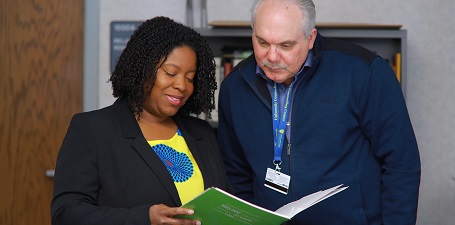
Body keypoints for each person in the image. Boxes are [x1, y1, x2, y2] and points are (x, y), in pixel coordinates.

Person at [217, 0, 421, 224]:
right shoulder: (234, 87)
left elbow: (401, 164)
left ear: (310, 38)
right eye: (262, 42)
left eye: (285, 46)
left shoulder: (363, 72)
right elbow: (236, 175)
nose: (272, 57)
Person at [51, 16, 230, 225]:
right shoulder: (93, 130)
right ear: (143, 68)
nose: (182, 85)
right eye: (171, 73)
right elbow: (66, 214)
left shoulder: (202, 132)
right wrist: (143, 218)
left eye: (190, 77)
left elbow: (224, 200)